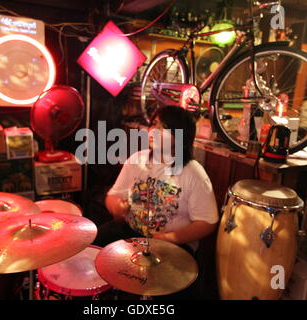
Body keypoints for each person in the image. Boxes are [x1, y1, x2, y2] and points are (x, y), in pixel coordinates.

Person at [93, 105, 219, 298]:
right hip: (131, 233)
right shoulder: (137, 160)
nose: (153, 131)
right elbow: (113, 195)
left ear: (180, 136)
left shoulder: (193, 173)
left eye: (163, 127)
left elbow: (208, 222)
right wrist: (116, 206)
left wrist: (170, 238)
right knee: (91, 246)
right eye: (153, 125)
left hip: (173, 245)